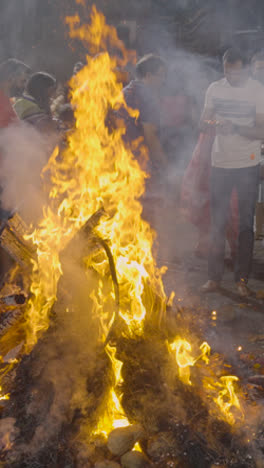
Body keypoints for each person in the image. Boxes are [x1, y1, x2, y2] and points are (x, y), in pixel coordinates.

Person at [200, 48, 264, 297]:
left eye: (236, 71)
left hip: (247, 164)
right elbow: (202, 123)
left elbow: (261, 131)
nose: (232, 76)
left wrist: (235, 127)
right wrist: (214, 124)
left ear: (245, 68)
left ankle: (242, 280)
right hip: (220, 164)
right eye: (227, 70)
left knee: (245, 226)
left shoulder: (257, 91)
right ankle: (213, 278)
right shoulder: (214, 89)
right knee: (217, 223)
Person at [120, 54, 168, 227]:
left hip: (119, 163)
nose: (164, 80)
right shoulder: (147, 97)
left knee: (128, 212)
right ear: (148, 75)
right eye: (161, 75)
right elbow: (150, 136)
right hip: (141, 166)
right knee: (148, 213)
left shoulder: (125, 92)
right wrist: (165, 165)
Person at [251, 51, 264, 239]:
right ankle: (258, 231)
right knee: (258, 189)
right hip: (252, 145)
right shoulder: (249, 90)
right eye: (260, 68)